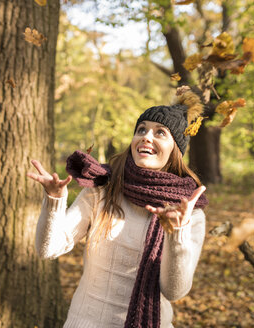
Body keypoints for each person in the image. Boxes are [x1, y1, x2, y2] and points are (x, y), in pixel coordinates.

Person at [28, 101, 208, 328]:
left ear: (176, 150)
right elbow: (48, 248)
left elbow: (174, 291)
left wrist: (177, 233)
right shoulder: (104, 189)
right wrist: (54, 200)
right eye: (141, 129)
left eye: (160, 132)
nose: (146, 137)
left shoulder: (189, 212)